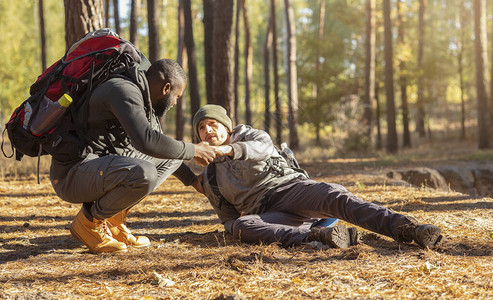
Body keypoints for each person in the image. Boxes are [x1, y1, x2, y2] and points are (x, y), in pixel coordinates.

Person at [186, 104, 443, 249]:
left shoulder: (253, 136)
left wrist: (224, 150)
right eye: (201, 127)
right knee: (243, 227)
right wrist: (246, 226)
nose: (208, 130)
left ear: (226, 126)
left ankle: (408, 229)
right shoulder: (210, 178)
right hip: (270, 214)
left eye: (213, 124)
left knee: (334, 195)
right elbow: (229, 221)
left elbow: (260, 150)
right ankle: (315, 236)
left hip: (291, 189)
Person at [50, 59, 215, 253]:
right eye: (176, 96)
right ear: (166, 88)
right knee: (143, 174)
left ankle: (112, 220)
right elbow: (146, 141)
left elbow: (162, 148)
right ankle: (88, 223)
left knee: (172, 156)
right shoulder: (122, 90)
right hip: (72, 175)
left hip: (97, 169)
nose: (175, 103)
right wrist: (194, 150)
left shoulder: (142, 97)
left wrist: (192, 180)